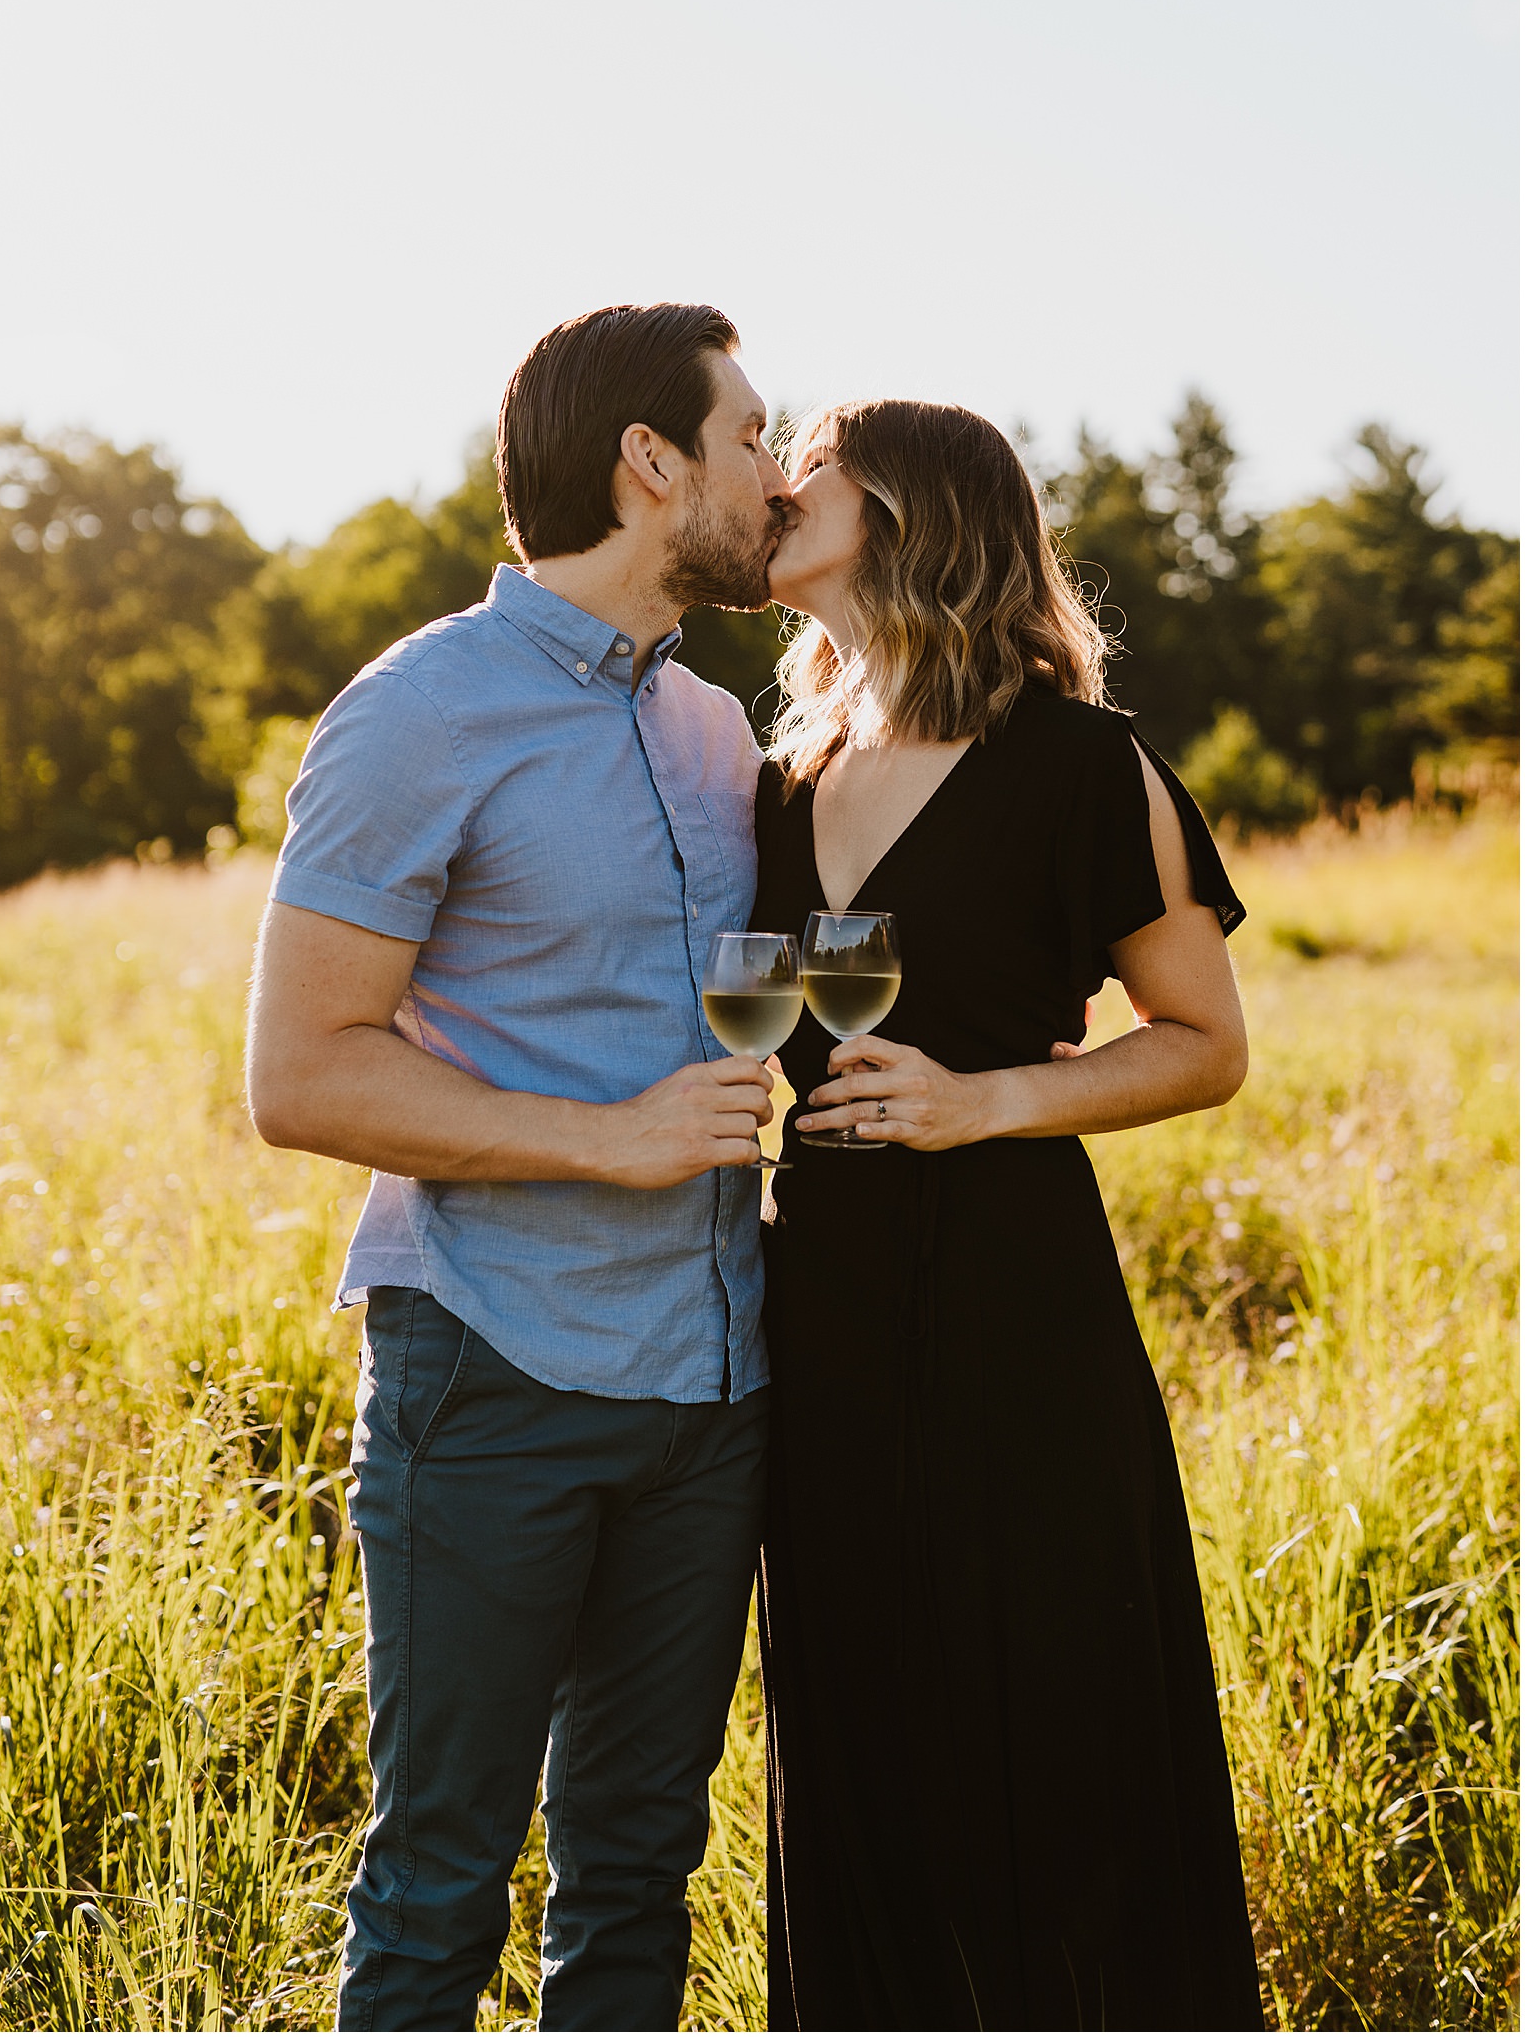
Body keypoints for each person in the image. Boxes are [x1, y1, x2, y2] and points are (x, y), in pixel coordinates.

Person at [245, 303, 794, 2032]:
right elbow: (298, 1073)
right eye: (752, 439)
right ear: (650, 463)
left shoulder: (717, 732)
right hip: (495, 1371)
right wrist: (608, 1143)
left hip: (716, 1389)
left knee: (639, 1864)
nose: (778, 481)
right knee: (438, 1883)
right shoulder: (418, 711)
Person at [751, 398, 1265, 2032]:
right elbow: (776, 1029)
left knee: (1055, 1702)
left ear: (903, 505)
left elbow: (1206, 1047)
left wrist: (988, 1102)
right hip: (817, 1293)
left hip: (1014, 1300)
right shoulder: (780, 779)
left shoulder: (1080, 764)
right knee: (862, 1712)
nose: (776, 482)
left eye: (807, 458)